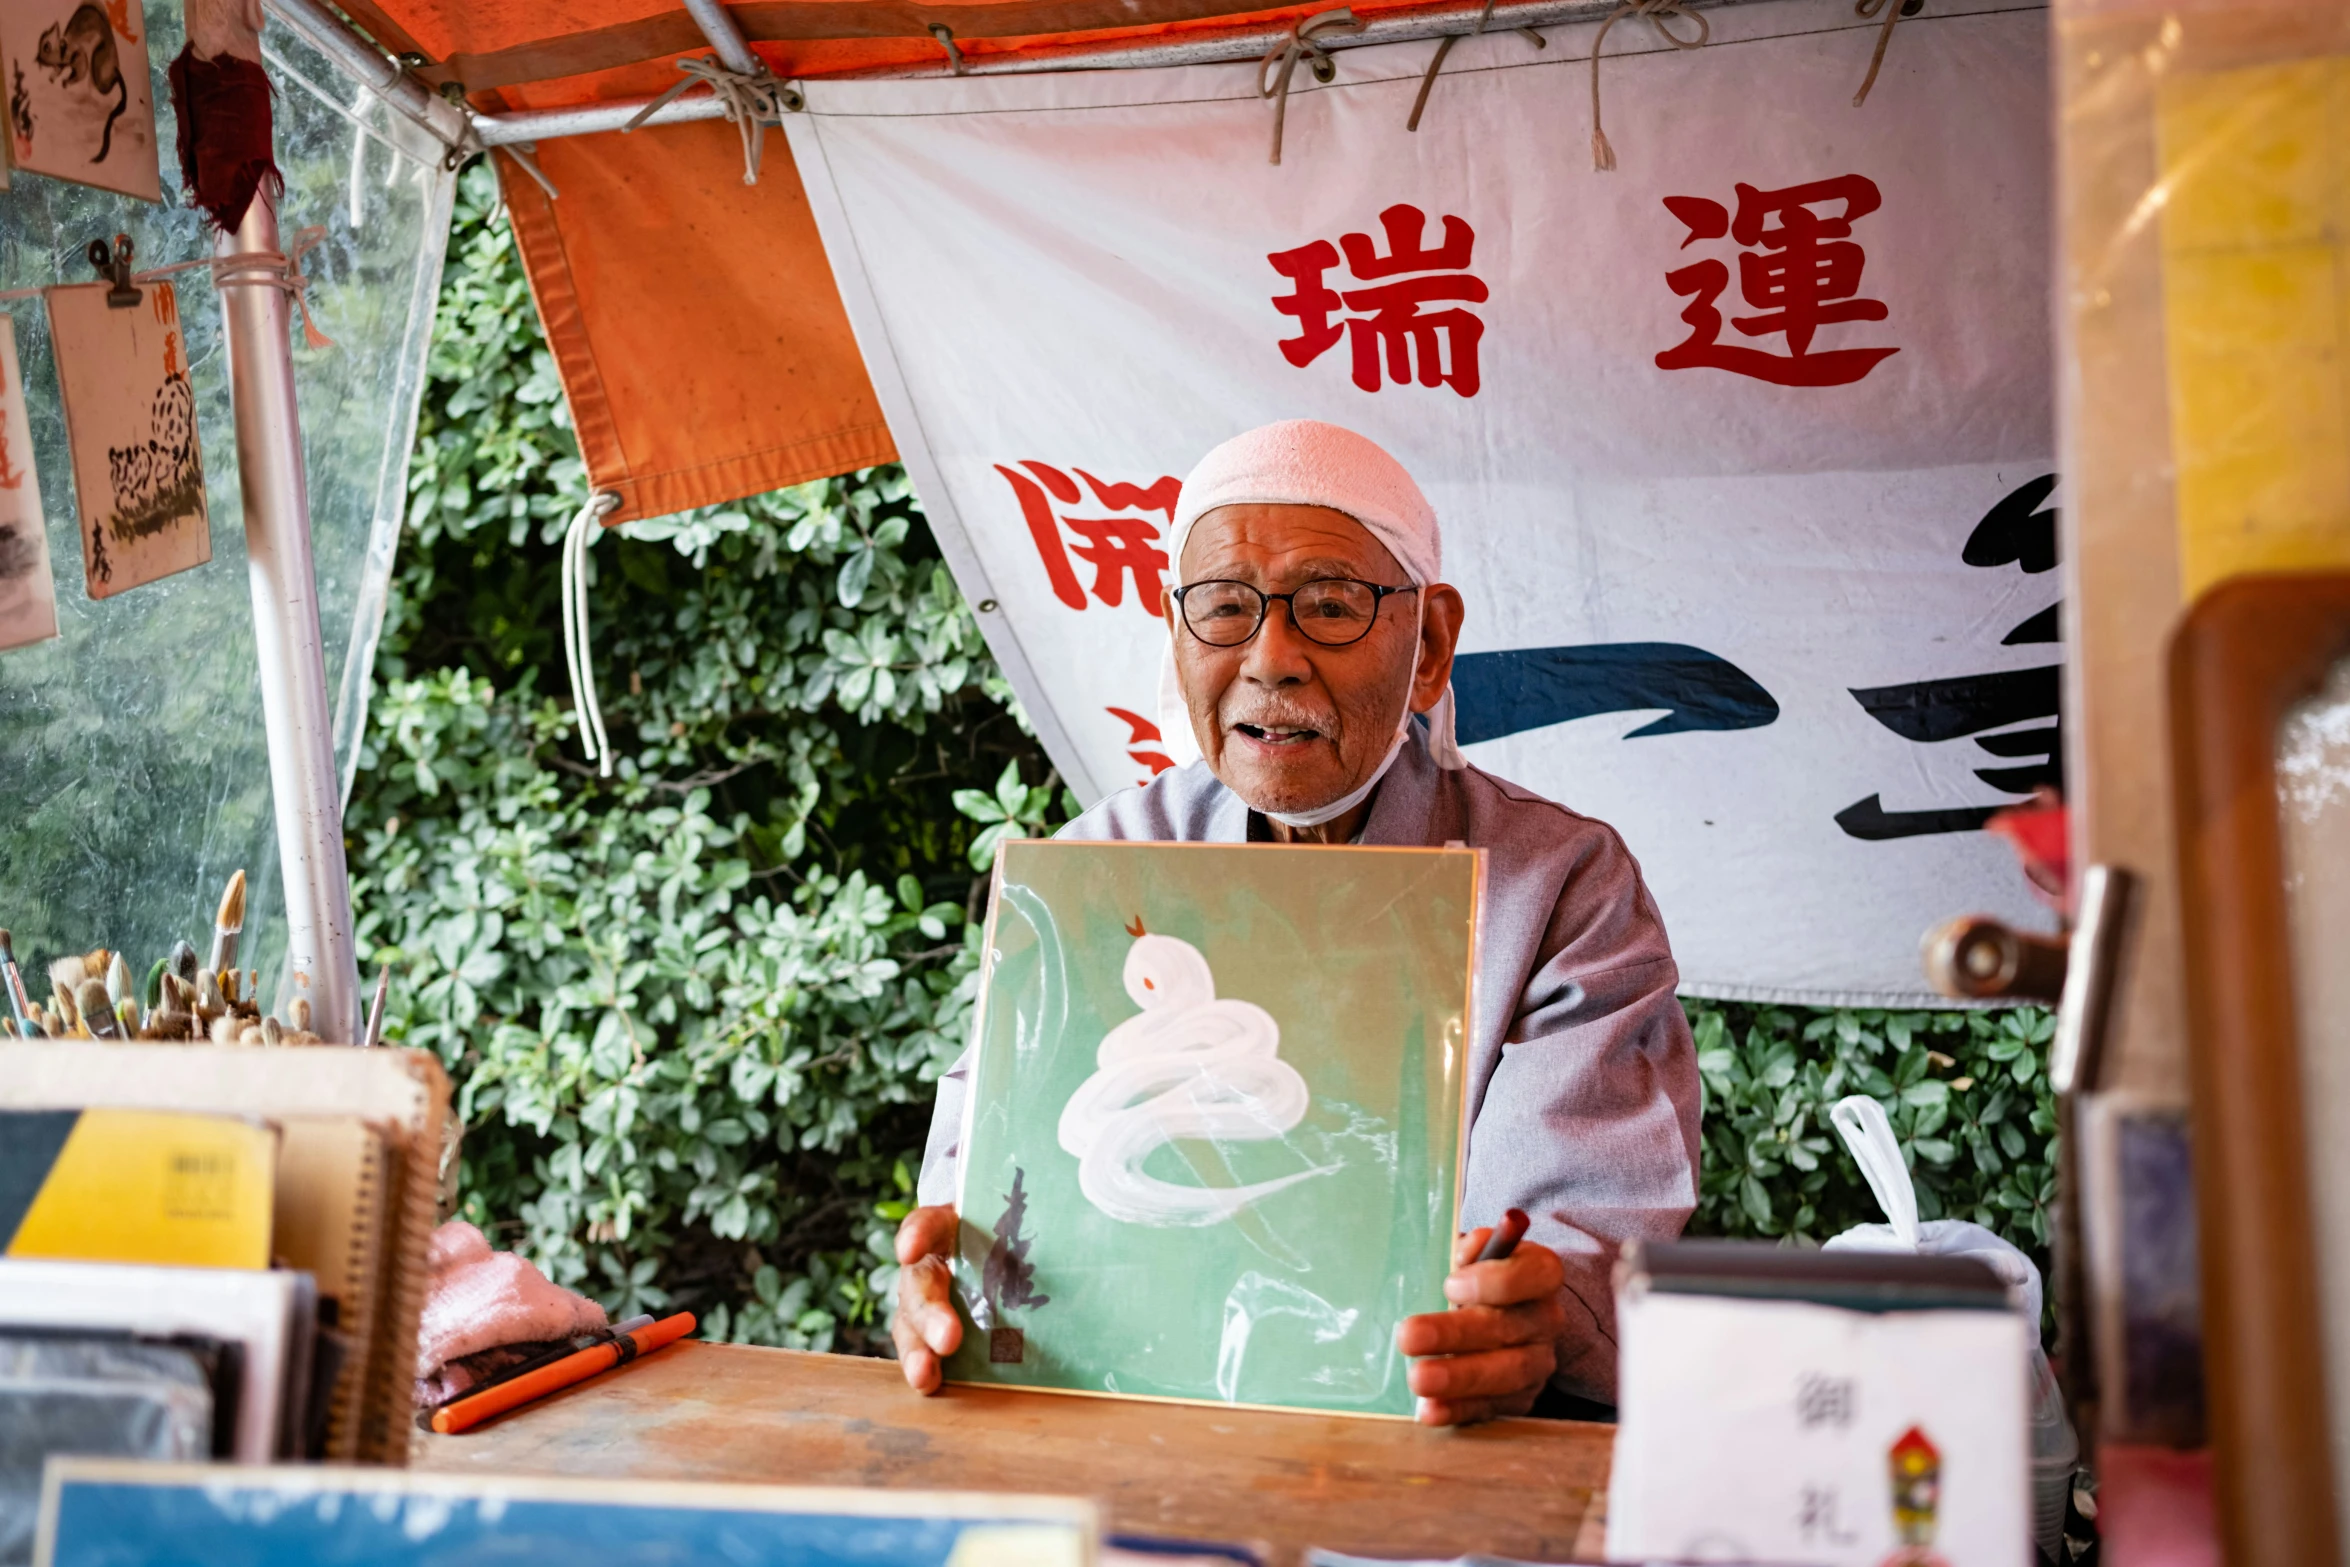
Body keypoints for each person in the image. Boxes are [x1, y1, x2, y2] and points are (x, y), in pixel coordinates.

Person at [893, 419, 1700, 1424]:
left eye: (1329, 606)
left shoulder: (1559, 884)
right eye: (1224, 608)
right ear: (1177, 634)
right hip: (1138, 1450)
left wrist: (1535, 1311)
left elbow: (1576, 1241)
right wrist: (946, 1280)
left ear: (1429, 643)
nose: (1271, 659)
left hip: (1442, 1469)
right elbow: (988, 1181)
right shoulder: (1097, 871)